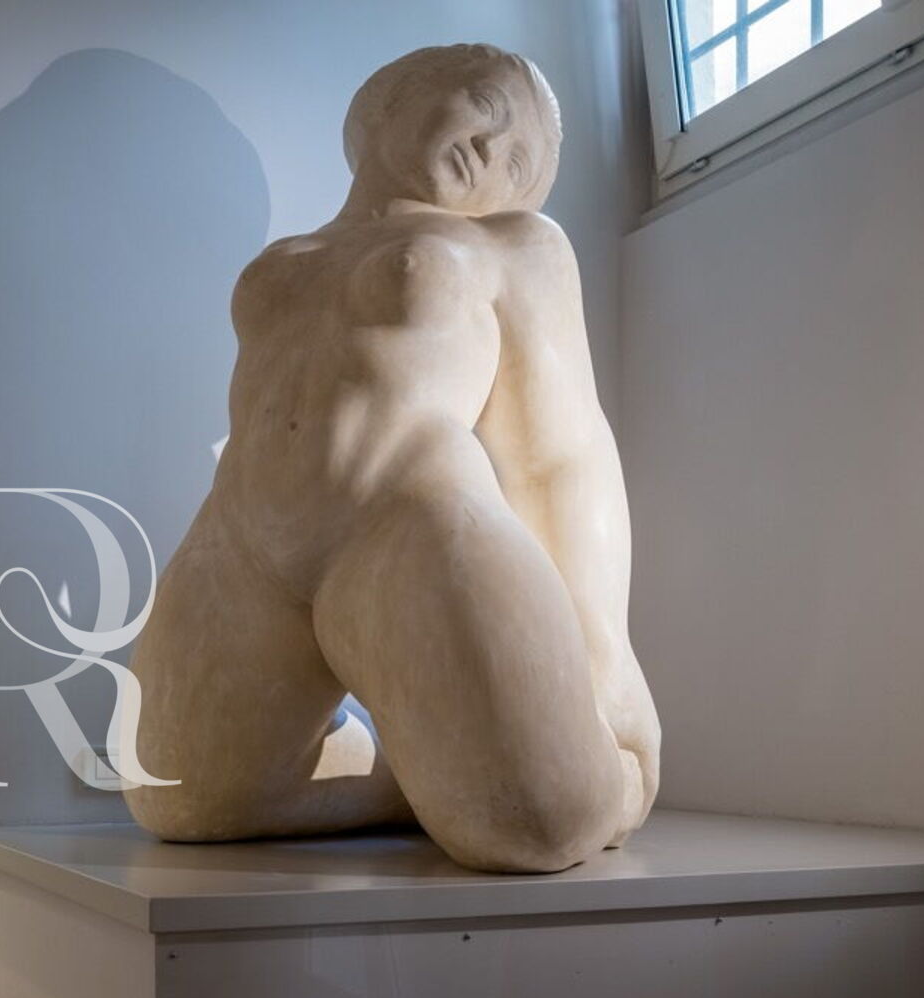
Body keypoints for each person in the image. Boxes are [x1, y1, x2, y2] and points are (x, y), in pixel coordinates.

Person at [126, 44, 660, 873]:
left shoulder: (515, 245)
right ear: (394, 100)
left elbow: (562, 457)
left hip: (404, 521)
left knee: (540, 822)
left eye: (519, 164)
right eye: (488, 107)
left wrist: (605, 655)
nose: (492, 151)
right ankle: (416, 776)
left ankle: (592, 779)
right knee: (178, 797)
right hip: (240, 541)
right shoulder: (288, 256)